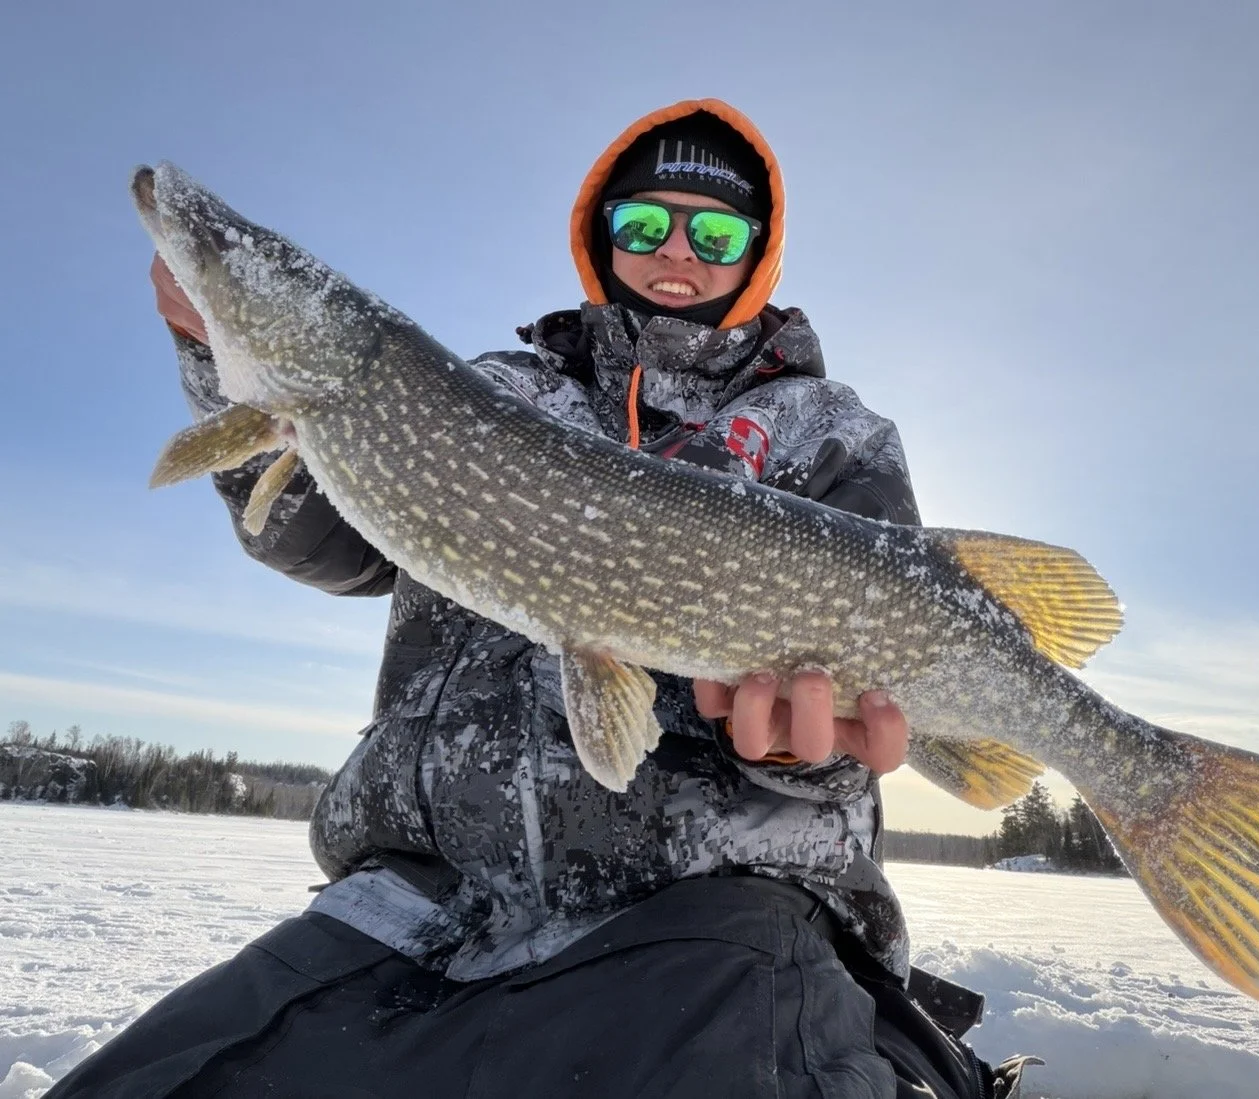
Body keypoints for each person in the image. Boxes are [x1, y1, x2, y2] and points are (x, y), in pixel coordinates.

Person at [52, 99, 1016, 1098]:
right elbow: (320, 541)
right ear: (600, 236)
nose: (675, 251)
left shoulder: (832, 434)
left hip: (717, 911)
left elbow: (872, 686)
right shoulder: (498, 391)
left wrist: (795, 753)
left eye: (715, 234)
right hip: (419, 901)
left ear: (757, 255)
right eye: (644, 223)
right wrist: (219, 358)